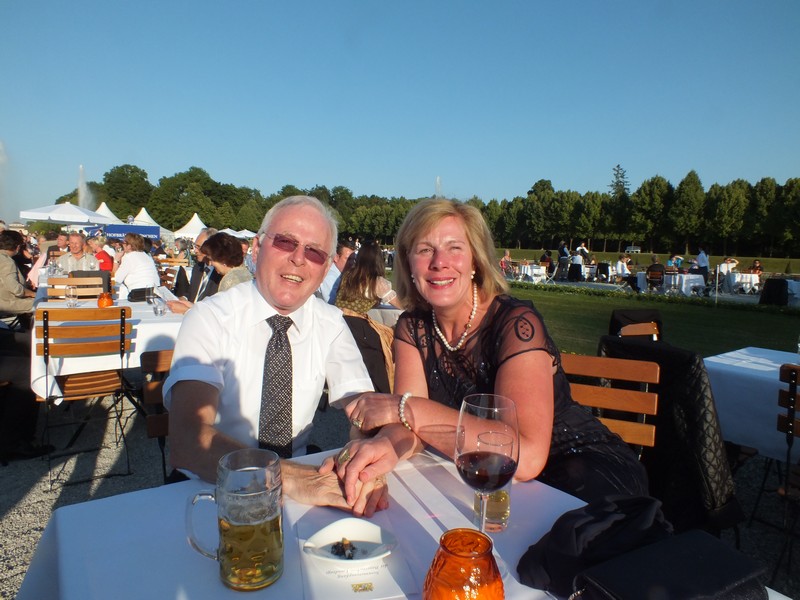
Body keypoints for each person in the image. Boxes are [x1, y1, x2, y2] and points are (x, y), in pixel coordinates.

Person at [329, 199, 648, 507]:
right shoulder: (413, 328)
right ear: (408, 262)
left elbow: (525, 456)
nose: (439, 262)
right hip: (489, 477)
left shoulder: (516, 324)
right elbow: (412, 425)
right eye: (425, 250)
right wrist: (386, 446)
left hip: (581, 468)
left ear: (475, 260)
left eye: (455, 247)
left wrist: (405, 408)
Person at [163, 196, 385, 516]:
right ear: (256, 249)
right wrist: (289, 477)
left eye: (314, 252)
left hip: (297, 493)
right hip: (213, 489)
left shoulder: (330, 322)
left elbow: (362, 409)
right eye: (285, 242)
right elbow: (188, 439)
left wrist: (363, 462)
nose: (298, 258)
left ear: (325, 269)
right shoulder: (210, 317)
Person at [336, 241, 403, 312]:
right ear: (378, 260)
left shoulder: (348, 275)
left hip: (336, 316)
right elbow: (399, 304)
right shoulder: (376, 282)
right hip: (353, 318)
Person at [168, 228, 222, 314]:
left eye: (199, 247)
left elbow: (216, 308)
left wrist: (187, 310)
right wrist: (182, 299)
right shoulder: (198, 268)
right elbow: (192, 293)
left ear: (211, 248)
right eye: (195, 246)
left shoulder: (220, 274)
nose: (195, 251)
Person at [0, 230, 35, 319]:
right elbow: (15, 289)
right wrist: (32, 294)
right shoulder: (7, 262)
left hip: (4, 299)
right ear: (18, 247)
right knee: (42, 303)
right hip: (6, 303)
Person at [111, 232, 160, 296]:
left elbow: (115, 280)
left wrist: (116, 260)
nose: (122, 245)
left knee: (117, 289)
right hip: (155, 292)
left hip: (140, 294)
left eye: (123, 242)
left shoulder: (129, 257)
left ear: (129, 246)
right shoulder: (146, 256)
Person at [318, 239, 355, 304]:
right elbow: (334, 303)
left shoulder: (341, 275)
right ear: (336, 258)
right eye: (348, 259)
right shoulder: (330, 276)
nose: (352, 263)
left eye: (353, 259)